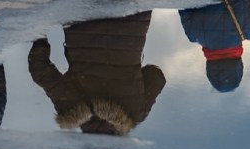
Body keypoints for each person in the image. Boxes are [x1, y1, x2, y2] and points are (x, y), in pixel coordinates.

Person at [28, 13, 166, 134]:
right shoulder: (72, 109)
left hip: (132, 16)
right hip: (83, 18)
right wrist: (41, 37)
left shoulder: (134, 114)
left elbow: (156, 76)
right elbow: (39, 70)